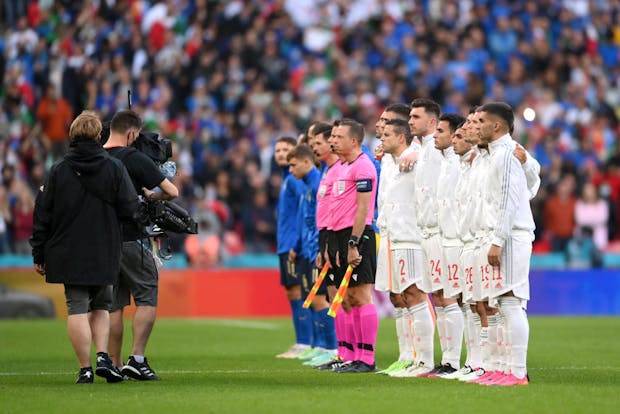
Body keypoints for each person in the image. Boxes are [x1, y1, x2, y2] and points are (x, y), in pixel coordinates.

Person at [30, 110, 138, 384]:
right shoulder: (114, 168)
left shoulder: (59, 170)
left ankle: (85, 368)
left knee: (76, 307)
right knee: (102, 306)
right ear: (98, 135)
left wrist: (39, 252)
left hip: (68, 249)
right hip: (105, 246)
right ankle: (104, 356)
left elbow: (43, 213)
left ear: (72, 135)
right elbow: (130, 209)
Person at [104, 109, 179, 380]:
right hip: (132, 238)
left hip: (103, 242)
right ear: (132, 133)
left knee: (114, 305)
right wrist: (150, 195)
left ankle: (111, 363)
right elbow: (172, 191)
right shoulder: (134, 157)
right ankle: (136, 359)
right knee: (146, 295)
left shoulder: (96, 157)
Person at [478, 102, 535, 386]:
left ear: (496, 126)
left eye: (481, 122)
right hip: (502, 235)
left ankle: (517, 372)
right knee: (500, 304)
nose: (476, 127)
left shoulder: (509, 154)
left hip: (511, 236)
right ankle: (502, 369)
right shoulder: (494, 155)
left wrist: (497, 240)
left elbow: (509, 199)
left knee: (511, 302)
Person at [373, 119, 436, 378]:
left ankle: (425, 361)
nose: (381, 137)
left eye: (387, 133)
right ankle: (410, 357)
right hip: (394, 236)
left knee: (415, 294)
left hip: (411, 237)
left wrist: (416, 149)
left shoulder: (417, 158)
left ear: (402, 138)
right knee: (401, 296)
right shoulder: (390, 160)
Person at [327, 118, 378, 373]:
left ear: (354, 140)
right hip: (339, 236)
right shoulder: (342, 166)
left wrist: (353, 243)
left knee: (361, 295)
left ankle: (366, 358)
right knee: (346, 297)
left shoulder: (363, 167)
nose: (332, 140)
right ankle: (352, 355)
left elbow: (363, 209)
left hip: (357, 236)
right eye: (332, 136)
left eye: (338, 136)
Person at [287, 143, 337, 365]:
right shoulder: (307, 185)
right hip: (308, 249)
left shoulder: (317, 182)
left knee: (320, 299)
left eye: (293, 165)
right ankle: (323, 346)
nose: (291, 170)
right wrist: (298, 246)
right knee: (314, 299)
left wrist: (320, 247)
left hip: (316, 249)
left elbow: (321, 221)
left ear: (307, 162)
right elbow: (304, 221)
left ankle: (331, 347)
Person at [408, 98, 443, 376]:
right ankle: (443, 361)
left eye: (415, 117)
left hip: (442, 232)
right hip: (425, 232)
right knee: (439, 296)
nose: (410, 121)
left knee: (447, 296)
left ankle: (453, 361)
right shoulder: (422, 149)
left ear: (432, 121)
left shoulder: (441, 150)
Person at [432, 113, 467, 377]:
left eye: (442, 131)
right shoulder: (444, 161)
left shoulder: (460, 161)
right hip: (443, 238)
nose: (436, 135)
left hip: (458, 239)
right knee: (443, 298)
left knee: (457, 298)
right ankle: (448, 359)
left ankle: (456, 360)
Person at [273, 136, 313, 358]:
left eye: (286, 150)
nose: (281, 154)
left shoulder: (295, 179)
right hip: (286, 242)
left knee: (299, 291)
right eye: (278, 150)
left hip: (293, 244)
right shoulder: (287, 178)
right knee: (293, 291)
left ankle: (306, 342)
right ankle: (304, 342)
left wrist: (297, 242)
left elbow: (304, 209)